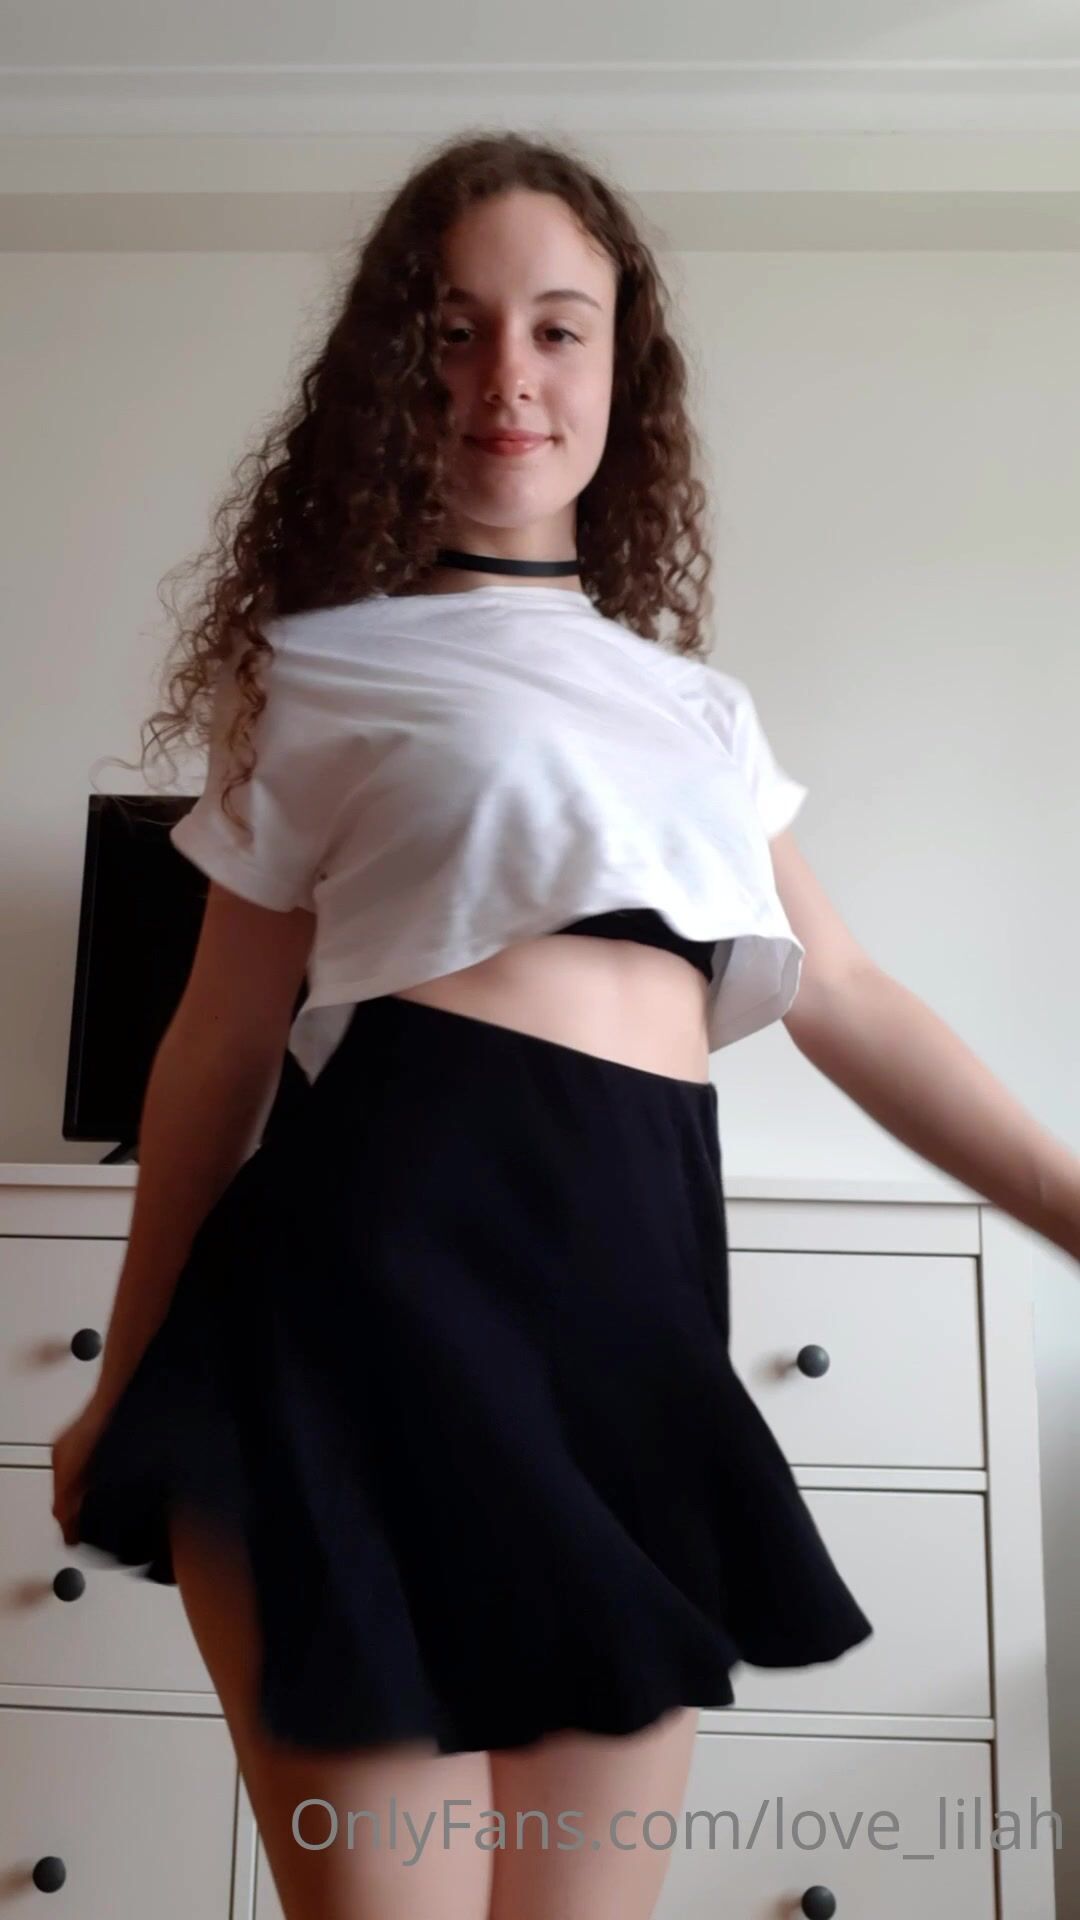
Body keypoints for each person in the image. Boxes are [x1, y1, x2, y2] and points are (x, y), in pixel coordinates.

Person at [50, 131, 1080, 1920]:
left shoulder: (699, 713)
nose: (506, 377)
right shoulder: (316, 668)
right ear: (394, 369)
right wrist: (122, 1373)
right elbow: (216, 1045)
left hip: (629, 1350)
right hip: (362, 1322)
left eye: (556, 327)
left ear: (623, 368)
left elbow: (845, 997)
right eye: (452, 332)